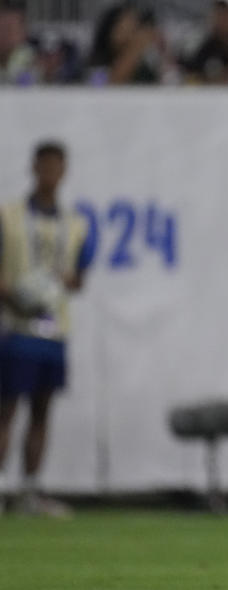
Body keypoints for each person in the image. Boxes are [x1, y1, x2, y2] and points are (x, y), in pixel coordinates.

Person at [0, 142, 94, 518]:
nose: (51, 172)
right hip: (15, 327)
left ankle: (30, 490)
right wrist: (18, 294)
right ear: (34, 167)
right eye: (45, 165)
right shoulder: (9, 216)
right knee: (6, 410)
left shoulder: (76, 223)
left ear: (64, 170)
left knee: (42, 411)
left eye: (58, 166)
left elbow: (79, 276)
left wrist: (60, 283)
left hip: (54, 330)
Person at [86, 2, 164, 85]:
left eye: (135, 24)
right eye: (124, 26)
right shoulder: (97, 61)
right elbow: (100, 86)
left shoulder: (145, 60)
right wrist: (136, 48)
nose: (132, 30)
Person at [0, 0, 37, 86]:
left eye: (9, 30)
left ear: (23, 32)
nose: (3, 35)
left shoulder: (33, 60)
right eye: (0, 30)